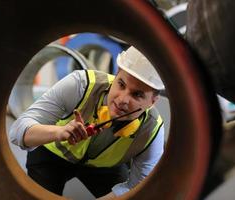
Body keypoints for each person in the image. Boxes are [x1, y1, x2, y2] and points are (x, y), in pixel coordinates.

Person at [9, 46, 165, 199]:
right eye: (121, 84)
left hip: (103, 167)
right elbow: (17, 131)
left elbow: (137, 186)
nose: (122, 100)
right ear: (116, 74)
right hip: (51, 156)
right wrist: (58, 132)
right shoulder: (81, 84)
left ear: (153, 101)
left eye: (137, 94)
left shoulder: (152, 130)